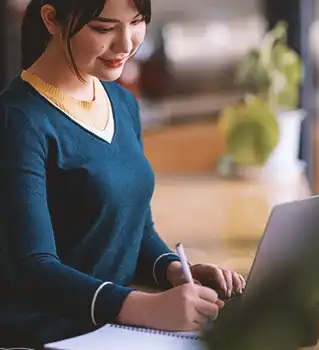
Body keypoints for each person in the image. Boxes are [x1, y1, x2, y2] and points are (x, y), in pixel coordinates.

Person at [0, 0, 246, 347]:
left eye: (137, 22)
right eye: (103, 28)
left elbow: (136, 231)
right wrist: (146, 307)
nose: (127, 44)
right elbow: (33, 268)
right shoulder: (18, 120)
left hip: (113, 330)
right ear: (52, 19)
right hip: (46, 336)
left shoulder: (122, 103)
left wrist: (173, 271)